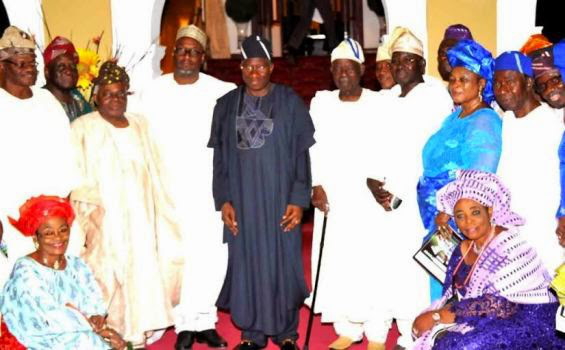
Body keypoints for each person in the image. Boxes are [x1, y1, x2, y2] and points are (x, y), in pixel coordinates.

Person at [209, 35, 314, 350]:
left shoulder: (289, 101)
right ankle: (252, 334)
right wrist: (224, 199)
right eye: (249, 67)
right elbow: (220, 159)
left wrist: (298, 200)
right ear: (241, 68)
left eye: (261, 67)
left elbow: (301, 155)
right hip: (243, 202)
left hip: (280, 201)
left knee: (283, 263)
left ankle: (286, 332)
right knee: (247, 263)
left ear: (270, 68)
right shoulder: (226, 106)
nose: (255, 73)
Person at [70, 61, 184, 347]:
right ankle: (113, 332)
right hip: (105, 217)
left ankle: (139, 330)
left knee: (143, 268)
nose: (115, 99)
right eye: (108, 94)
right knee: (109, 273)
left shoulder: (140, 124)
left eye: (121, 93)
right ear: (95, 96)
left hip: (142, 213)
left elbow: (157, 168)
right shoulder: (82, 127)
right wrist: (88, 219)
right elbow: (74, 174)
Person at [137, 25, 234, 350]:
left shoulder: (222, 91)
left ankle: (205, 321)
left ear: (202, 58)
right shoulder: (151, 92)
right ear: (172, 54)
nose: (186, 56)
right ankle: (182, 324)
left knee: (210, 254)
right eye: (181, 49)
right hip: (166, 190)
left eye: (193, 51)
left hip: (208, 189)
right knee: (173, 256)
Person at [310, 39, 404, 350]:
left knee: (373, 264)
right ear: (331, 72)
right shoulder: (322, 103)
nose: (344, 74)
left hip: (368, 200)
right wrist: (316, 183)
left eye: (349, 69)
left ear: (362, 70)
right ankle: (348, 328)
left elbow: (392, 146)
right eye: (338, 69)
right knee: (340, 264)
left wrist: (383, 180)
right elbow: (313, 148)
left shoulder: (381, 103)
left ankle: (377, 333)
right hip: (334, 199)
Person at [412, 170, 564, 349]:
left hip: (526, 319)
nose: (468, 222)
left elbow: (500, 307)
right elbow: (451, 295)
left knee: (462, 346)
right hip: (480, 315)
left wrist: (437, 317)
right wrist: (433, 318)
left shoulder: (510, 246)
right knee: (430, 333)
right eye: (460, 216)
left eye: (475, 212)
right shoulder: (462, 249)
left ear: (489, 210)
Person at [419, 39, 501, 300]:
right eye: (452, 80)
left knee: (457, 286)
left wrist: (448, 209)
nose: (455, 85)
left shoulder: (485, 120)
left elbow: (480, 175)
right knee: (440, 281)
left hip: (460, 217)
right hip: (438, 213)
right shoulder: (455, 116)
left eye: (464, 80)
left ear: (481, 84)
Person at [0, 26, 78, 287]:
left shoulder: (46, 100)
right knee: (16, 283)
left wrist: (65, 203)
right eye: (21, 63)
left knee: (57, 284)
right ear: (2, 66)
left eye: (32, 62)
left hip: (53, 214)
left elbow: (67, 153)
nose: (30, 68)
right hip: (10, 216)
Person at [0, 196, 127, 349]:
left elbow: (92, 296)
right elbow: (47, 316)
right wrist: (98, 330)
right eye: (49, 233)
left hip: (81, 332)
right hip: (40, 337)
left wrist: (96, 316)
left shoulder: (76, 264)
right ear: (36, 237)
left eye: (63, 230)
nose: (58, 237)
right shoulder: (25, 270)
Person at [494, 51, 563, 273]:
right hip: (510, 240)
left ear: (528, 82)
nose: (502, 88)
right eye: (497, 83)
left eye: (510, 81)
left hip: (545, 240)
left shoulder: (550, 124)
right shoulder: (508, 122)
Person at [43, 36, 92, 122]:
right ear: (47, 72)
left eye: (73, 66)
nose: (69, 71)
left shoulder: (78, 99)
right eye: (61, 67)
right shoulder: (39, 101)